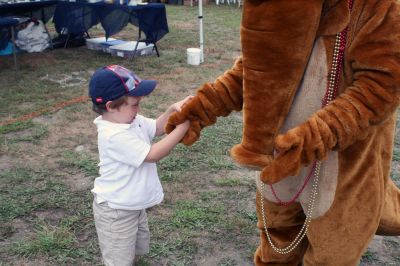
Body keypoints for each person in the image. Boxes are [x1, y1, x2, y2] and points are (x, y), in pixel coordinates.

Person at [165, 0, 400, 265]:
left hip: (342, 169)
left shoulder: (378, 7)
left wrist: (312, 139)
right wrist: (203, 107)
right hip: (279, 165)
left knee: (332, 255)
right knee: (276, 249)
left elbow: (380, 87)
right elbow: (255, 71)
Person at [88, 65, 190, 266]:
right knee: (118, 259)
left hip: (132, 204)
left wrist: (172, 110)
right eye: (134, 104)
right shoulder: (113, 135)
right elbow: (152, 154)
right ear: (110, 106)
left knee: (134, 248)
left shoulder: (131, 120)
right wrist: (182, 129)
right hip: (116, 211)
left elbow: (158, 128)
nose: (138, 109)